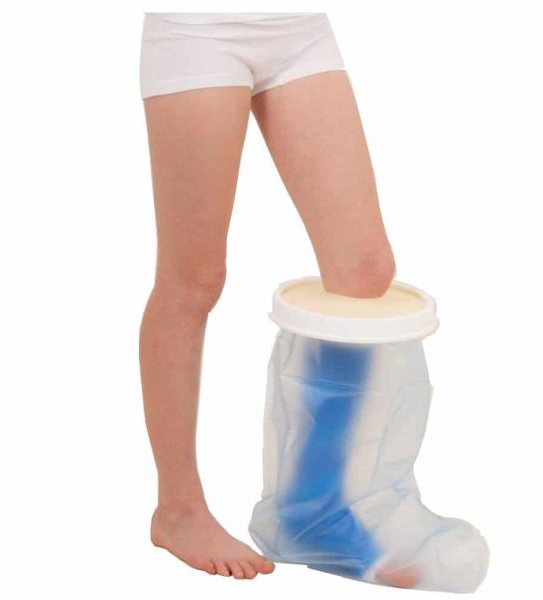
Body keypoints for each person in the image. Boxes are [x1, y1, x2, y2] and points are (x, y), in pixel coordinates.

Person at [139, 13, 396, 581]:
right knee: (192, 279)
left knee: (363, 271)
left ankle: (315, 509)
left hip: (298, 27)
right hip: (200, 30)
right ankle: (177, 511)